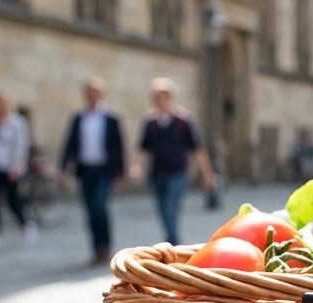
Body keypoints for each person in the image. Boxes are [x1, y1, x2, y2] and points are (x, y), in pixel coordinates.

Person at [131, 78, 214, 246]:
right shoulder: (151, 122)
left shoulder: (183, 121)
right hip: (157, 172)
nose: (157, 101)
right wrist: (136, 166)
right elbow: (143, 147)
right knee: (162, 208)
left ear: (169, 97)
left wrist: (207, 173)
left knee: (171, 207)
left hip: (177, 172)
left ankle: (172, 241)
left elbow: (197, 148)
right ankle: (171, 236)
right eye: (155, 97)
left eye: (160, 96)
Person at [61, 77, 125, 264]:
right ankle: (97, 248)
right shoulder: (79, 118)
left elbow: (118, 145)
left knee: (99, 207)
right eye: (88, 92)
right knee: (90, 210)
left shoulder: (111, 118)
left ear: (101, 94)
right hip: (85, 169)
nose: (91, 96)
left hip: (103, 170)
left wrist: (119, 172)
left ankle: (105, 245)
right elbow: (70, 144)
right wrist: (64, 168)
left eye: (95, 92)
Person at [0, 91, 33, 253]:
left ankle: (25, 225)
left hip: (10, 168)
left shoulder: (18, 122)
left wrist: (17, 167)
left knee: (12, 201)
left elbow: (21, 146)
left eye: (2, 104)